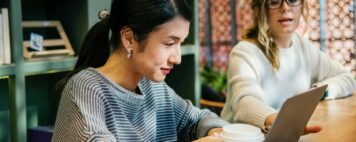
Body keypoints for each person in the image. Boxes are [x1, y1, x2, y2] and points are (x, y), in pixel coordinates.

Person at [52, 0, 229, 141]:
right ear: (129, 39)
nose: (177, 58)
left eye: (180, 43)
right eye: (169, 43)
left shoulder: (154, 88)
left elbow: (199, 119)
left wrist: (217, 132)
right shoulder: (85, 89)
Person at [221, 0, 356, 134]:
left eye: (292, 0)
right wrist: (280, 121)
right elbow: (244, 103)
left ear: (302, 5)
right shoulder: (244, 52)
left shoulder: (303, 46)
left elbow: (347, 78)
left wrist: (321, 92)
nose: (285, 8)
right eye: (274, 2)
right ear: (258, 11)